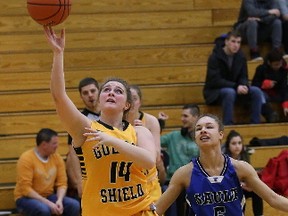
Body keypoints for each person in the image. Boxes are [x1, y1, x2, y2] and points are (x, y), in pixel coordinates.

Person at [44, 26, 157, 216]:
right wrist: (58, 54)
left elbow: (148, 161)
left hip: (139, 211)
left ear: (127, 105)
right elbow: (59, 96)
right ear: (100, 99)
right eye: (106, 89)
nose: (111, 92)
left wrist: (112, 140)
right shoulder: (86, 129)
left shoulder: (139, 131)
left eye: (118, 91)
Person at [155, 113, 288, 216]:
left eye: (209, 127)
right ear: (195, 138)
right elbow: (157, 210)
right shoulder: (184, 174)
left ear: (220, 134)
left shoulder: (241, 168)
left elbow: (274, 199)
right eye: (198, 128)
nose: (203, 130)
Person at [204, 30, 273, 125]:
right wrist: (236, 86)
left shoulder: (241, 56)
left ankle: (255, 123)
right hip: (215, 92)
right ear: (226, 42)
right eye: (233, 41)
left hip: (235, 89)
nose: (236, 45)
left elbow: (244, 76)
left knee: (256, 91)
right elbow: (215, 80)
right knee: (229, 92)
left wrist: (243, 85)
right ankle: (228, 124)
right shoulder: (214, 57)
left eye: (238, 42)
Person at [14, 128, 80, 216]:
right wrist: (48, 203)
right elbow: (26, 189)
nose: (57, 146)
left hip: (49, 196)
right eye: (54, 143)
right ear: (44, 145)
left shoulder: (57, 158)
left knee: (74, 205)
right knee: (43, 210)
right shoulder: (26, 159)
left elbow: (62, 184)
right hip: (25, 198)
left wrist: (59, 200)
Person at [125, 85, 166, 203]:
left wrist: (143, 134)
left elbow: (156, 156)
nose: (132, 103)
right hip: (126, 177)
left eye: (134, 98)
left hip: (148, 176)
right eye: (129, 99)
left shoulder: (151, 121)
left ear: (140, 102)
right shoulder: (117, 121)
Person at [160, 104, 200, 216]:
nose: (182, 119)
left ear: (195, 117)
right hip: (172, 182)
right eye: (182, 116)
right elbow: (153, 141)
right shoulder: (173, 136)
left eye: (185, 116)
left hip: (194, 181)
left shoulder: (202, 139)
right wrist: (160, 124)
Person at [66, 77, 100, 200]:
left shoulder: (112, 113)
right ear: (81, 97)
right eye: (85, 93)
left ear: (99, 91)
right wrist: (79, 181)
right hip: (92, 171)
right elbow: (73, 152)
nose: (90, 95)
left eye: (92, 91)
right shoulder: (79, 120)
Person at [223, 130, 263, 216]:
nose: (237, 146)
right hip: (229, 189)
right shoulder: (224, 159)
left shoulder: (245, 156)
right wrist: (241, 185)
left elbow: (248, 176)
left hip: (243, 187)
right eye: (234, 143)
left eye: (239, 143)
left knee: (257, 190)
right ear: (228, 145)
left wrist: (250, 185)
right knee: (239, 195)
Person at [252, 49, 288, 120]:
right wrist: (263, 84)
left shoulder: (284, 70)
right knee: (258, 94)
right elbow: (254, 85)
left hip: (278, 94)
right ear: (269, 63)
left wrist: (285, 104)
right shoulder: (261, 69)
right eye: (276, 65)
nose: (278, 66)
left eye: (280, 63)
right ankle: (269, 114)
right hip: (264, 94)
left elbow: (284, 87)